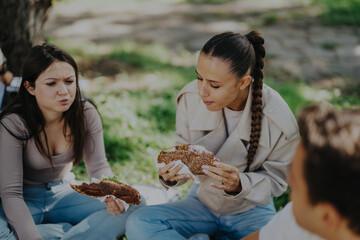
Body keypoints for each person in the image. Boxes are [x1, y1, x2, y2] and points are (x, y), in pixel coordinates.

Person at [126, 30, 300, 240]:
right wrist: (171, 177)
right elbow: (182, 152)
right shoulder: (190, 98)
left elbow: (278, 182)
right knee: (140, 223)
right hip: (202, 202)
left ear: (244, 82)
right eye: (200, 78)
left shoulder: (279, 121)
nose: (202, 91)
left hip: (250, 210)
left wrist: (240, 184)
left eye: (214, 85)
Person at [0, 43, 144, 240]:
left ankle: (62, 234)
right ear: (30, 87)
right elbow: (11, 194)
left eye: (69, 81)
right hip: (24, 199)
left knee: (136, 203)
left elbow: (99, 167)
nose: (64, 91)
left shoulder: (85, 113)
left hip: (64, 193)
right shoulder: (13, 124)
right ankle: (66, 232)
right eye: (52, 84)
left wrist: (111, 196)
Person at [242, 103, 360, 240]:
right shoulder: (298, 219)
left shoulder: (306, 215)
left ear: (327, 217)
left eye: (296, 181)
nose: (288, 181)